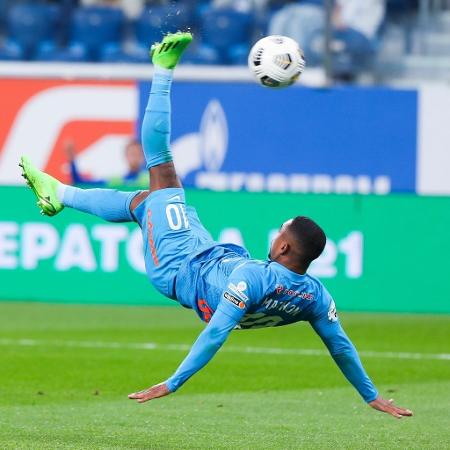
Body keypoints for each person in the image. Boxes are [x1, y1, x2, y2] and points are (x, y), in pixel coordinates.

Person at [19, 32, 412, 419]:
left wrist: (173, 381)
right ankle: (61, 194)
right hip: (201, 252)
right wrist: (370, 395)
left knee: (164, 173)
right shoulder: (315, 297)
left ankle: (162, 70)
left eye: (280, 234)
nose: (275, 238)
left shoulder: (251, 279)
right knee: (142, 203)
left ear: (286, 248)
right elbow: (340, 346)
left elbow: (216, 333)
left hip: (178, 265)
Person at [64, 138, 147, 187]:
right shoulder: (116, 181)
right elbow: (80, 183)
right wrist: (72, 161)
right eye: (132, 154)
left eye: (138, 154)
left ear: (143, 156)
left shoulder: (150, 180)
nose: (135, 157)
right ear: (126, 156)